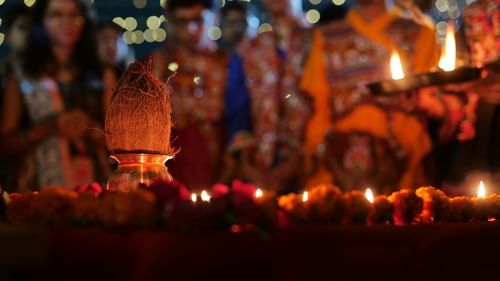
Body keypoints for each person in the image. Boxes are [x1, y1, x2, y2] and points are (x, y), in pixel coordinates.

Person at [302, 0, 441, 192]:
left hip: (400, 162)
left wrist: (393, 156)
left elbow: (425, 104)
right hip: (337, 166)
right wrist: (332, 155)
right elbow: (318, 109)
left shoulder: (419, 33)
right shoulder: (327, 36)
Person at [0, 0, 115, 191]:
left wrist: (90, 129)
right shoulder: (23, 74)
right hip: (40, 190)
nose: (66, 22)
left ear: (84, 20)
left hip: (94, 190)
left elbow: (119, 143)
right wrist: (49, 126)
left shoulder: (101, 74)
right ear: (41, 21)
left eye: (73, 15)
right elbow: (4, 144)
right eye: (56, 15)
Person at [223, 0, 313, 193]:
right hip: (259, 167)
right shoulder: (248, 50)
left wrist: (299, 160)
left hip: (309, 165)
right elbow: (238, 111)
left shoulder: (317, 42)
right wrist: (246, 163)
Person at [152, 0, 228, 190]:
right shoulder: (156, 66)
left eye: (198, 20)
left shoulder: (228, 66)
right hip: (166, 177)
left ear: (215, 18)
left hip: (219, 172)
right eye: (182, 22)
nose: (191, 29)